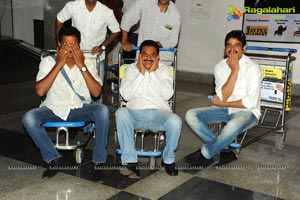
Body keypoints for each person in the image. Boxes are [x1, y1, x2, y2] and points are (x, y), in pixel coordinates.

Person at [22, 26, 110, 180]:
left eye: (74, 45)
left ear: (79, 45)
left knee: (102, 110)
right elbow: (40, 91)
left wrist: (81, 65)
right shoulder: (48, 62)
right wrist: (59, 64)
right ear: (59, 45)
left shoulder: (87, 62)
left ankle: (98, 162)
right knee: (29, 118)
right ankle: (53, 158)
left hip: (79, 108)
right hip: (53, 108)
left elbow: (96, 93)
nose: (70, 49)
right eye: (66, 45)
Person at [185, 30, 262, 167]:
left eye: (237, 45)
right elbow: (222, 96)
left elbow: (251, 103)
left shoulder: (253, 68)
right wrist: (234, 71)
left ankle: (205, 153)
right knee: (190, 115)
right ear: (224, 48)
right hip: (224, 109)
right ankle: (224, 148)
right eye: (229, 45)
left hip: (247, 112)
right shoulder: (220, 67)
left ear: (244, 48)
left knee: (231, 126)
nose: (232, 49)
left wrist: (224, 102)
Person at [115, 40, 182, 177]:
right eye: (145, 54)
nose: (148, 58)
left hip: (158, 114)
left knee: (175, 121)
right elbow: (125, 95)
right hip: (135, 114)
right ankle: (130, 161)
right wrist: (141, 74)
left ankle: (168, 160)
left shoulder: (163, 70)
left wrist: (152, 74)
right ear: (140, 55)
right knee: (121, 113)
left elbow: (167, 94)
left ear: (158, 57)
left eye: (153, 55)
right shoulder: (131, 69)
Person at [56, 0, 121, 89]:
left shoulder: (106, 12)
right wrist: (60, 44)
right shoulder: (72, 6)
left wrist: (102, 46)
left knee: (96, 90)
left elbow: (116, 30)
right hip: (75, 56)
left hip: (96, 58)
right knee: (74, 88)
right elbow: (59, 20)